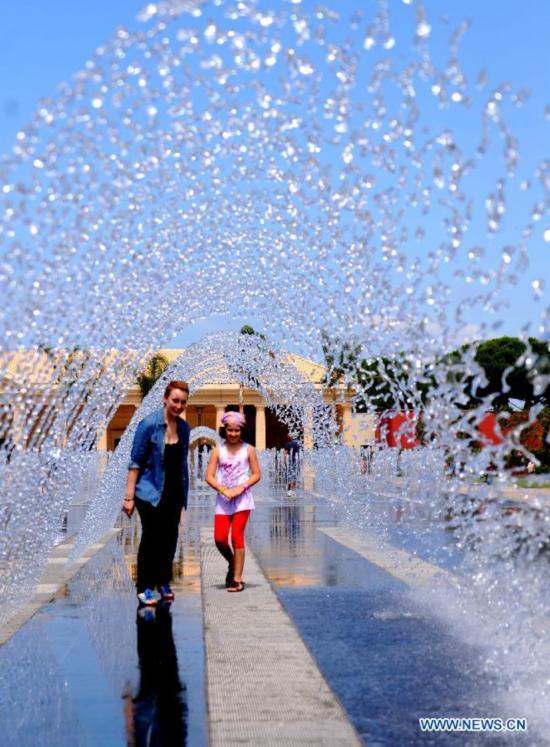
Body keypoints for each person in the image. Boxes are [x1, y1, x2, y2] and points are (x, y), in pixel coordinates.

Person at [122, 380, 191, 606]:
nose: (178, 406)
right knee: (151, 538)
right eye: (175, 400)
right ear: (165, 398)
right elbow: (135, 462)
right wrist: (129, 497)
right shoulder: (148, 425)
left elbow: (181, 464)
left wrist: (183, 497)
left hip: (174, 491)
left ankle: (163, 580)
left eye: (182, 402)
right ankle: (144, 586)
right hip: (149, 492)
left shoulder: (183, 428)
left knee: (170, 538)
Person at [205, 411, 261, 592]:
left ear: (242, 431)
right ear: (224, 430)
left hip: (242, 500)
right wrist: (223, 489)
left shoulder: (249, 449)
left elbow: (257, 474)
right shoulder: (217, 451)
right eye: (230, 430)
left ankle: (237, 579)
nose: (233, 434)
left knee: (237, 535)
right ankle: (232, 562)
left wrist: (240, 488)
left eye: (237, 430)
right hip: (223, 500)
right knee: (220, 538)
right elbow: (209, 476)